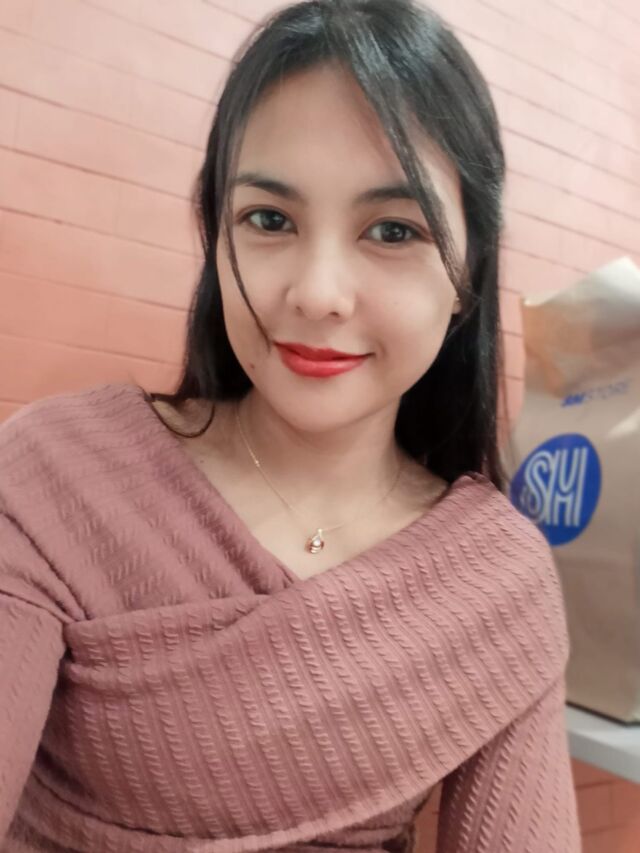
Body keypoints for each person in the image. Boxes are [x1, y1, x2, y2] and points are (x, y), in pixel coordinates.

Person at [0, 0, 582, 850]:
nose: (317, 293)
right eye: (269, 219)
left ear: (468, 273)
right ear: (216, 233)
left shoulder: (495, 582)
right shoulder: (53, 475)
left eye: (394, 229)